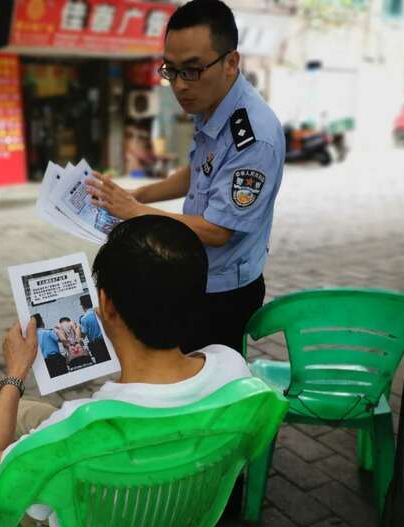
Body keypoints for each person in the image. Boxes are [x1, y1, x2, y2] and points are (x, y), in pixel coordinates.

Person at [0, 215, 253, 527]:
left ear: (106, 304)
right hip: (179, 523)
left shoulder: (77, 427)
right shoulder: (232, 369)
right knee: (22, 415)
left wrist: (16, 372)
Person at [85, 0, 285, 356]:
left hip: (225, 291)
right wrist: (138, 194)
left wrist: (133, 211)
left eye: (192, 70)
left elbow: (218, 231)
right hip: (195, 275)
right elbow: (199, 172)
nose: (179, 86)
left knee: (212, 387)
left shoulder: (254, 136)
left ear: (231, 63)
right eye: (171, 70)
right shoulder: (211, 104)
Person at [78, 294, 110, 364]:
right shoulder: (100, 311)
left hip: (96, 345)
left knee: (101, 362)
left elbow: (84, 334)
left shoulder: (84, 319)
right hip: (107, 340)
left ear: (82, 305)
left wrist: (78, 331)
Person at [34, 313, 68, 378]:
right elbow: (62, 339)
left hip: (44, 363)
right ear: (41, 321)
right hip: (56, 360)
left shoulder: (34, 337)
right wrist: (58, 329)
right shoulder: (48, 332)